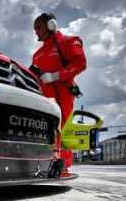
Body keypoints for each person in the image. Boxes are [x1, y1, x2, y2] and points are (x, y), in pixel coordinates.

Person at [31, 12, 86, 172]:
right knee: (42, 129)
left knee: (63, 128)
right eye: (35, 29)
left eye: (38, 27)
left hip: (63, 93)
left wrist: (56, 75)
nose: (36, 32)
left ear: (51, 25)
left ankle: (64, 166)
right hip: (43, 97)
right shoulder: (37, 54)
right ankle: (42, 162)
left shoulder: (69, 42)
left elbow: (80, 63)